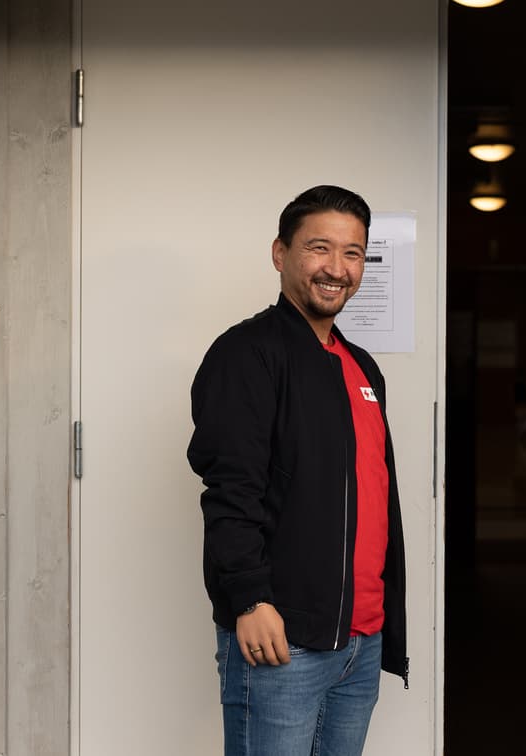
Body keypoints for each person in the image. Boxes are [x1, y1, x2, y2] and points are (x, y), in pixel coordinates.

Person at [188, 185, 407, 755]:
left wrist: (379, 628)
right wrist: (249, 600)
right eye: (319, 248)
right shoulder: (247, 354)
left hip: (361, 642)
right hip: (282, 641)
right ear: (281, 253)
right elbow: (230, 489)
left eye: (353, 252)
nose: (337, 268)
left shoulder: (361, 367)